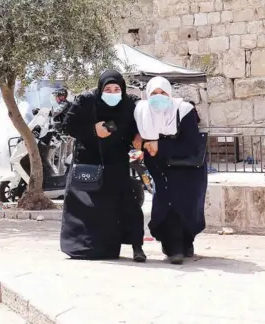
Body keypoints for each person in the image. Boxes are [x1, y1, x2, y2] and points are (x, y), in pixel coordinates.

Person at [60, 70, 146, 262]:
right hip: (89, 162)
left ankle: (137, 246)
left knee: (126, 205)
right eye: (108, 89)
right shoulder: (86, 101)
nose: (113, 92)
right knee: (88, 208)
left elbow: (136, 127)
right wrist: (93, 130)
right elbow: (68, 126)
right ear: (100, 89)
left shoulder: (128, 105)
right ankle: (85, 248)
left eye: (117, 89)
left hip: (117, 163)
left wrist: (137, 137)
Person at [133, 76, 207, 265]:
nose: (159, 97)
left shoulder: (184, 110)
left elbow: (191, 144)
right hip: (160, 171)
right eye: (154, 93)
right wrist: (142, 144)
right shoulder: (142, 111)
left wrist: (159, 144)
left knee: (187, 206)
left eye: (163, 93)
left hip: (187, 170)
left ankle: (185, 242)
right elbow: (138, 140)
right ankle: (173, 247)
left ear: (170, 93)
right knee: (166, 207)